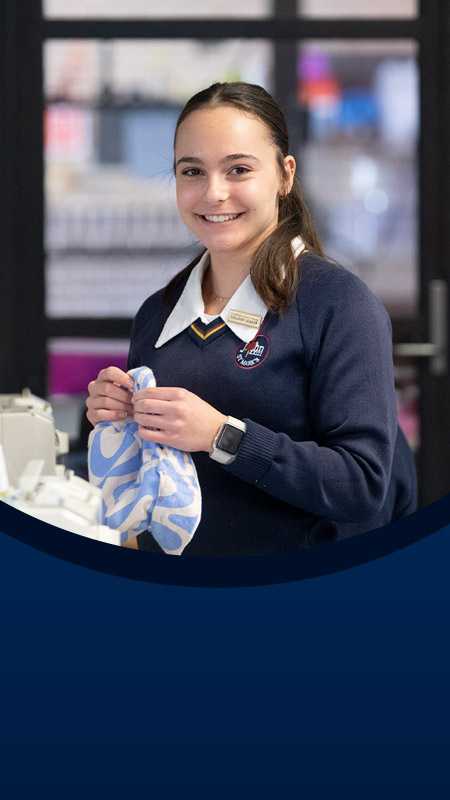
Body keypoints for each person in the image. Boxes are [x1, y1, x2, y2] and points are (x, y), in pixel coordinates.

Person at [86, 81, 417, 557]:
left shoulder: (338, 306)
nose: (213, 193)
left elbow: (361, 485)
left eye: (238, 169)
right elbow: (157, 477)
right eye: (192, 171)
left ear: (284, 175)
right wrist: (118, 417)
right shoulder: (158, 314)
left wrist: (222, 436)